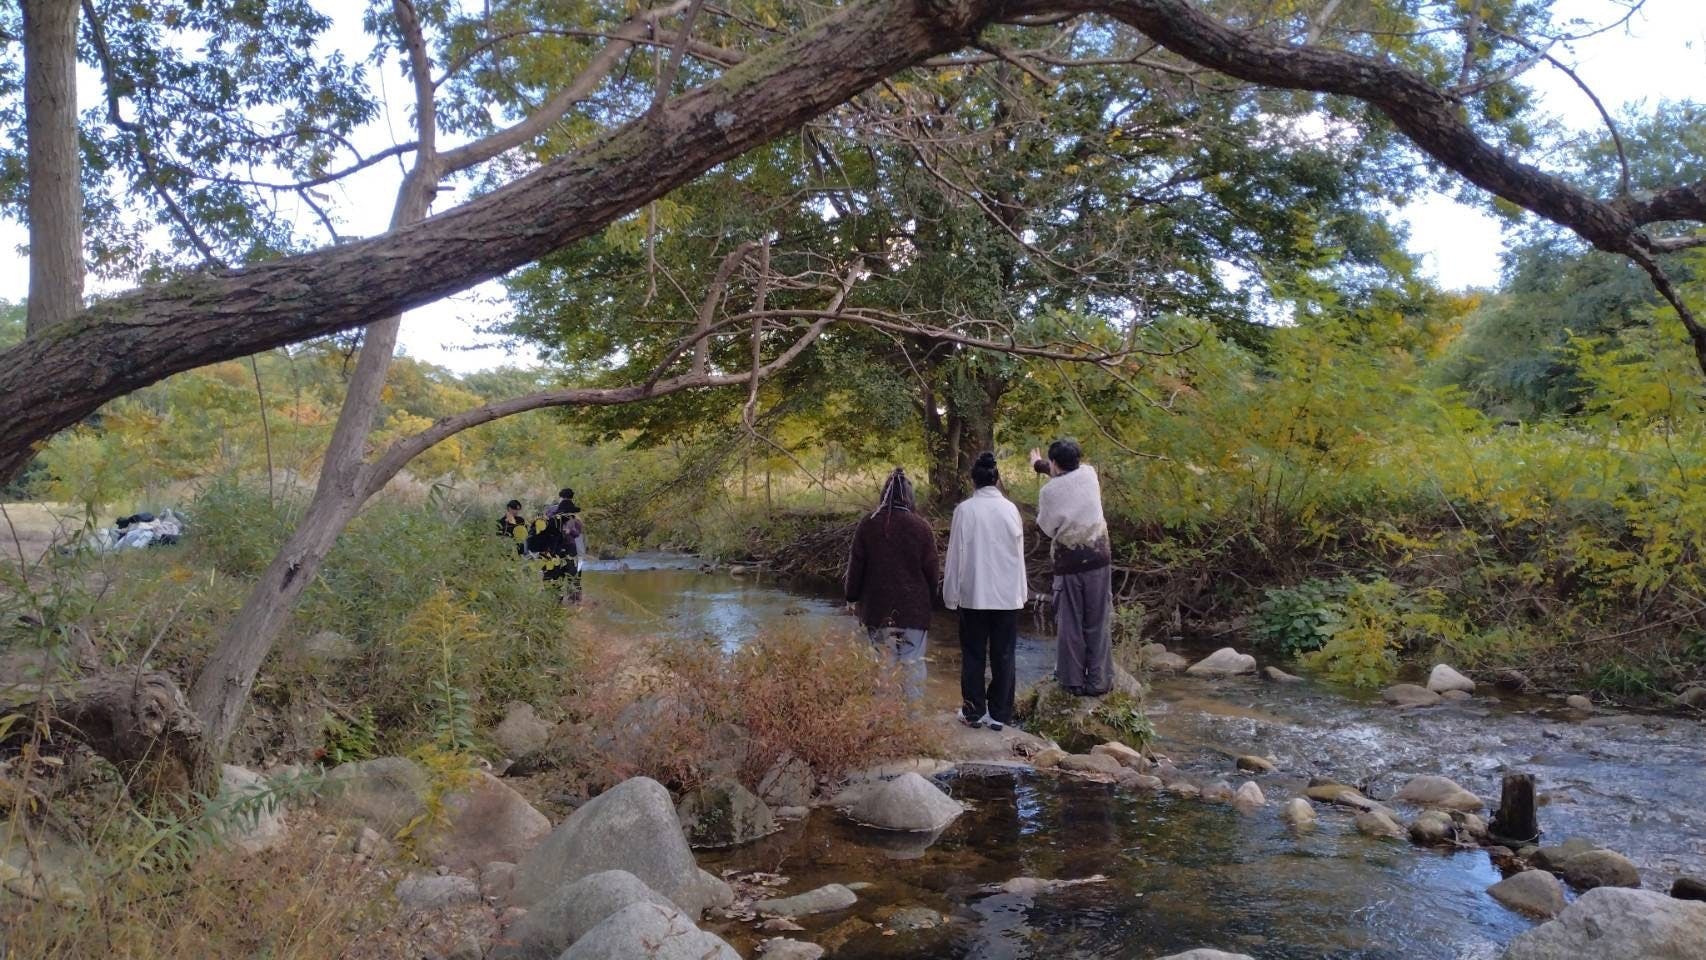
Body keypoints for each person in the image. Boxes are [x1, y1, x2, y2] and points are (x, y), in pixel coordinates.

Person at [943, 452, 1028, 731]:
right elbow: (1018, 555)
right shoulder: (1010, 509)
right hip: (1007, 595)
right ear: (997, 479)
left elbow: (955, 555)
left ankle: (973, 711)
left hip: (974, 593)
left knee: (973, 654)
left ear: (973, 481)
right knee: (1004, 655)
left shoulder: (965, 510)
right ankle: (1000, 714)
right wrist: (1022, 592)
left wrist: (950, 595)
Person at [845, 468, 937, 702]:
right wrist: (932, 602)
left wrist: (851, 596)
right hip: (915, 611)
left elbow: (856, 565)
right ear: (910, 497)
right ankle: (912, 717)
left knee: (882, 664)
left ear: (884, 494)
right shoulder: (921, 527)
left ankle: (884, 716)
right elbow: (931, 572)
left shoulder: (868, 524)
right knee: (913, 665)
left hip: (878, 609)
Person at [1030, 439, 1114, 696]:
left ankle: (1072, 681)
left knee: (1070, 622)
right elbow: (1066, 476)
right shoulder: (1089, 474)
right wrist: (1039, 464)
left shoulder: (1049, 493)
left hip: (1069, 562)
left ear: (1054, 463)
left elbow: (1047, 527)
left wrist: (1038, 465)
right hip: (1099, 557)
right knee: (1097, 619)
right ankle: (1099, 681)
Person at [528, 488, 586, 604]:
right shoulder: (572, 515)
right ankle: (572, 600)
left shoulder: (552, 511)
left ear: (560, 497)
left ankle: (556, 599)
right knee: (571, 573)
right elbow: (577, 533)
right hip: (565, 547)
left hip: (554, 548)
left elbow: (541, 529)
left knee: (554, 574)